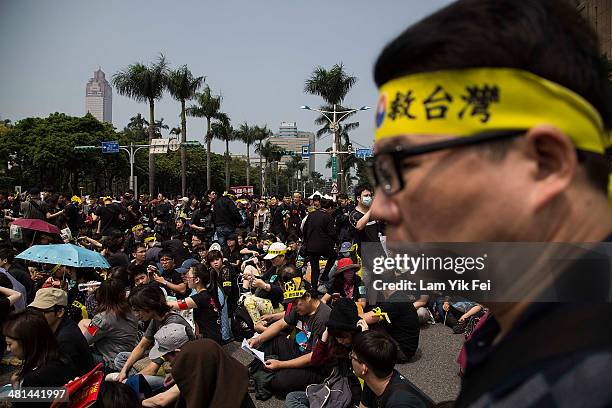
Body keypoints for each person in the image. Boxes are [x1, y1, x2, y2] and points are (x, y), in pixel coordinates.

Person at [369, 0, 612, 406]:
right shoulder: (527, 334)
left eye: (400, 166)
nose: (379, 207)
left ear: (544, 164)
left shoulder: (578, 383)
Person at [248, 276, 331, 396]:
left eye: (296, 303)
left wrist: (281, 364)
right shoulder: (300, 308)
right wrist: (258, 339)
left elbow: (313, 357)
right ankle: (254, 370)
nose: (294, 306)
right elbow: (281, 324)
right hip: (299, 350)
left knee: (279, 381)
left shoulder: (323, 318)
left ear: (307, 297)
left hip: (315, 366)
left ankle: (268, 375)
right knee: (273, 340)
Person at [142, 335, 255, 408]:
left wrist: (139, 403)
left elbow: (162, 400)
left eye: (168, 359)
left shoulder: (198, 380)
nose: (170, 365)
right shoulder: (232, 379)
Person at [114, 284, 195, 382]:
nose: (136, 315)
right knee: (121, 358)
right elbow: (141, 346)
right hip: (161, 361)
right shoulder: (156, 318)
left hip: (176, 371)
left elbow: (153, 369)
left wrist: (127, 382)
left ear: (148, 307)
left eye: (138, 310)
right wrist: (123, 371)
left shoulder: (172, 326)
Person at [3, 310, 78, 401]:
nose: (8, 349)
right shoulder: (62, 357)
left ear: (27, 343)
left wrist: (16, 389)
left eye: (9, 344)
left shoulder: (33, 380)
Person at [351, 331, 432, 408]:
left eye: (352, 357)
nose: (350, 359)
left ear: (364, 368)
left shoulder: (399, 403)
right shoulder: (372, 381)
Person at [28, 287, 94, 376]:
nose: (36, 316)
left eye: (42, 312)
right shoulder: (59, 326)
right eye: (34, 311)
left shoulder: (65, 339)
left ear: (60, 312)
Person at [79, 279, 139, 372]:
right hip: (127, 357)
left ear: (101, 295)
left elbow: (84, 341)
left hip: (110, 363)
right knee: (84, 321)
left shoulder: (101, 319)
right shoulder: (131, 311)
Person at [167, 263, 222, 343]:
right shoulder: (206, 294)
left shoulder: (201, 297)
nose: (186, 279)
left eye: (188, 276)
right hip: (213, 337)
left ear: (197, 280)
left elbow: (174, 305)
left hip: (209, 341)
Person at [302, 198, 337, 288]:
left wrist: (306, 242)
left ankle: (314, 288)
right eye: (332, 209)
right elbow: (332, 233)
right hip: (324, 247)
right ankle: (325, 275)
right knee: (333, 256)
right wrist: (337, 242)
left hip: (311, 247)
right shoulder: (329, 217)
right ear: (329, 208)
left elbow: (304, 229)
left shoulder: (311, 215)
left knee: (315, 269)